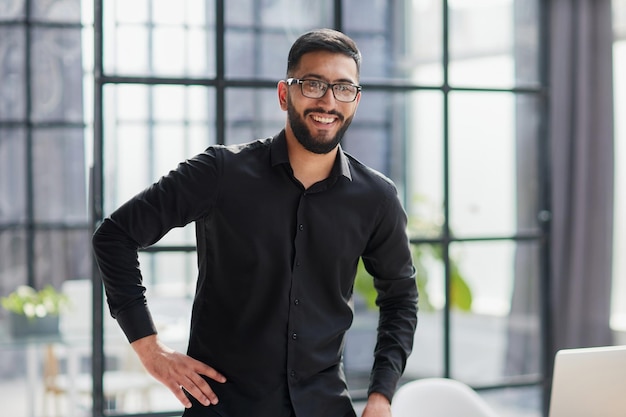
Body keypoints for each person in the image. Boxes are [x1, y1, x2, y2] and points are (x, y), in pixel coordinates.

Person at [92, 28, 418, 417]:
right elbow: (115, 236)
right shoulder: (220, 172)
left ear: (356, 100)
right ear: (285, 94)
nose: (328, 101)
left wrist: (381, 396)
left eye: (343, 88)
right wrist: (150, 349)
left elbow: (400, 299)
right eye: (313, 84)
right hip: (224, 409)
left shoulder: (376, 198)